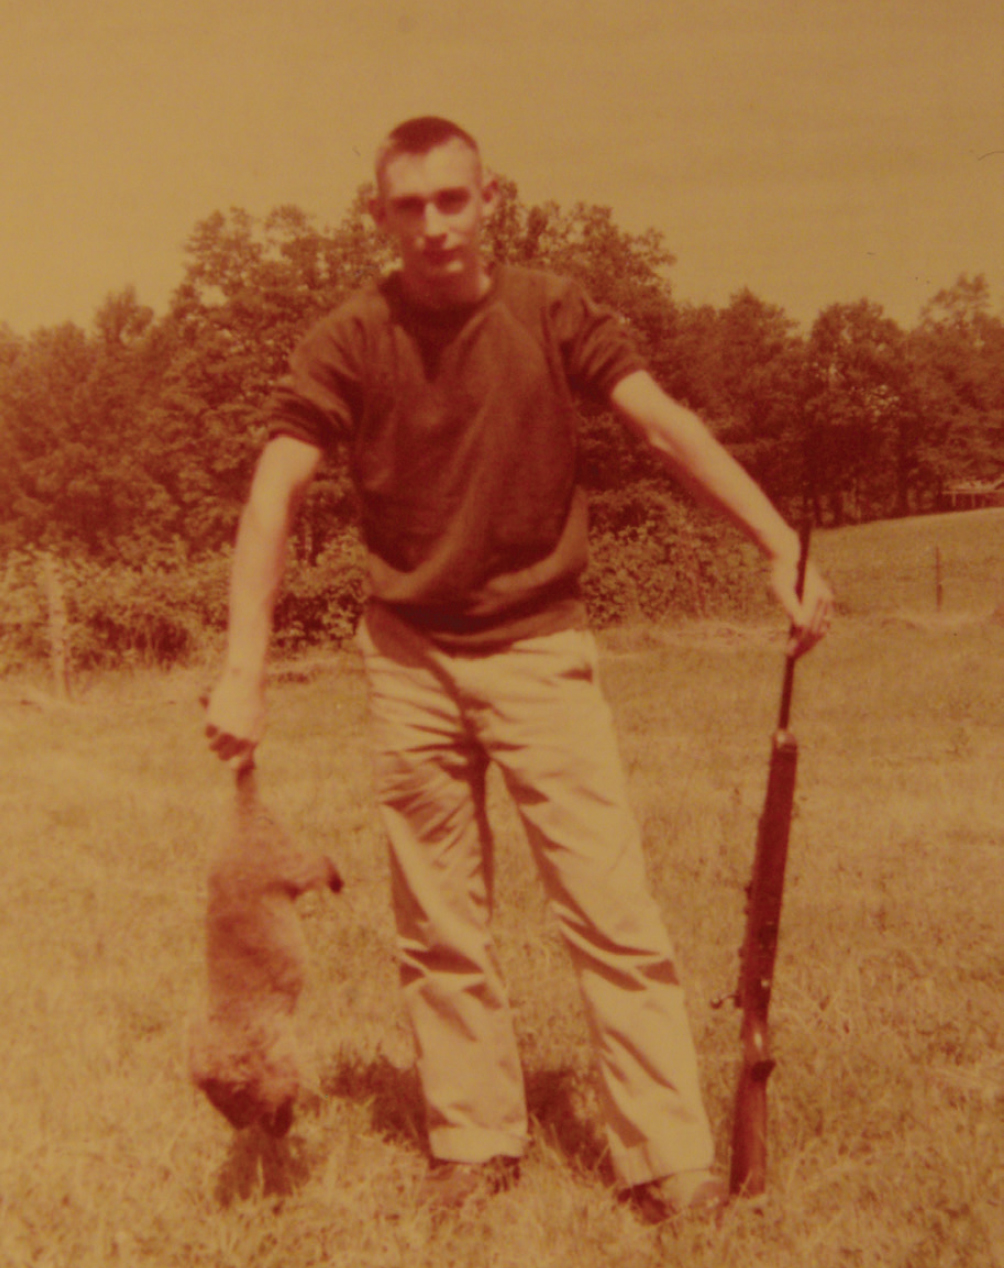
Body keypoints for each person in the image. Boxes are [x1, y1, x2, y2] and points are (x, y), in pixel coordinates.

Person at [205, 116, 833, 1222]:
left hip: (540, 650)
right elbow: (273, 492)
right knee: (437, 920)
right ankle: (473, 1136)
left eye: (454, 199)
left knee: (607, 904)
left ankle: (667, 1155)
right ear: (380, 217)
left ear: (489, 199)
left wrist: (777, 542)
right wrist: (242, 668)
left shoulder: (551, 308)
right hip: (407, 662)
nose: (435, 225)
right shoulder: (348, 336)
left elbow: (663, 428)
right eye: (410, 206)